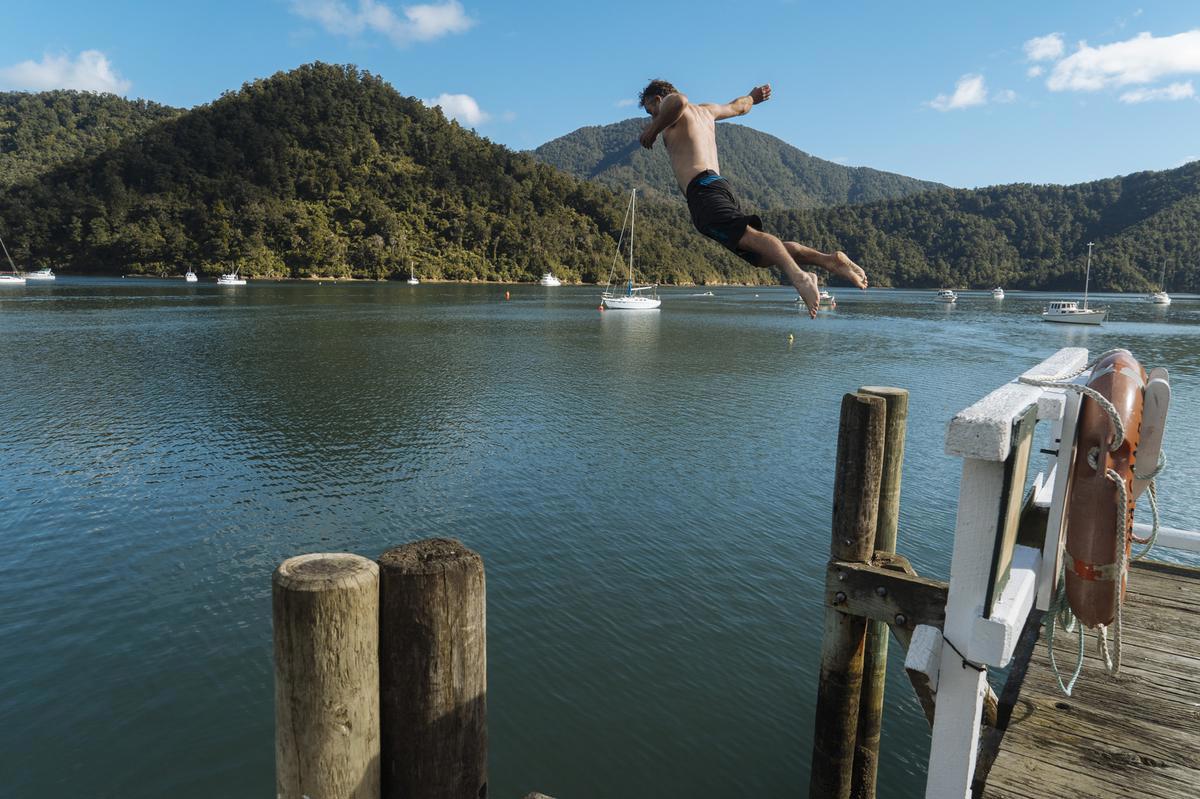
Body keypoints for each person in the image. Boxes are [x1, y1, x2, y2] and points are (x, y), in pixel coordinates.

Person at [638, 79, 868, 317]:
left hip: (702, 190)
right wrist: (753, 98)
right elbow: (738, 106)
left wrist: (652, 130)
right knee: (759, 256)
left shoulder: (673, 110)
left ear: (657, 100)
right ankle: (829, 260)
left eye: (650, 111)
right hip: (717, 185)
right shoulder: (706, 111)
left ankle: (800, 277)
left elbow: (679, 100)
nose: (652, 117)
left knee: (751, 236)